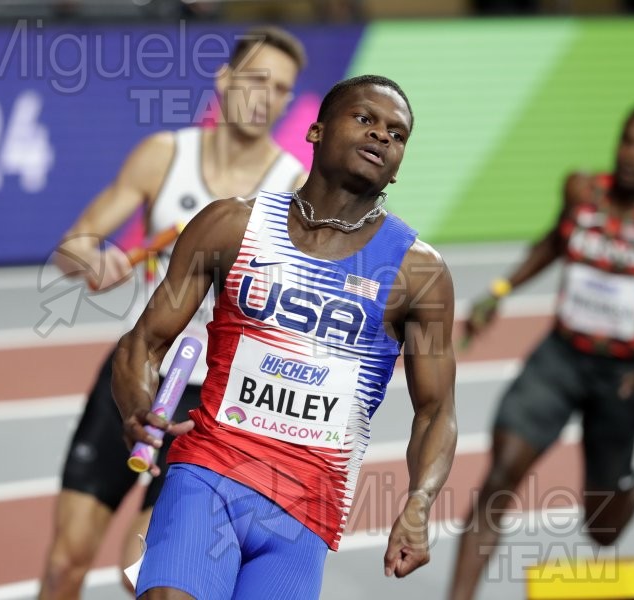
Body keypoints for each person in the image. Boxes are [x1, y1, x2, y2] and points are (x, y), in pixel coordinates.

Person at [113, 74, 458, 599]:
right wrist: (137, 404)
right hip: (208, 472)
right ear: (316, 132)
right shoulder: (231, 225)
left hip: (305, 511)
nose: (383, 136)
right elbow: (145, 343)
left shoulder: (418, 273)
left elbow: (436, 410)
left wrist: (419, 503)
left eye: (398, 133)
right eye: (365, 119)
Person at [38, 27, 309, 600]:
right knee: (66, 561)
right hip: (137, 371)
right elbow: (71, 246)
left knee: (145, 574)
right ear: (225, 79)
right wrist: (94, 258)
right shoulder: (165, 154)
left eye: (282, 88)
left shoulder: (292, 191)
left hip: (214, 403)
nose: (266, 97)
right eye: (256, 79)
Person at [448, 105, 634, 600]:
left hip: (627, 376)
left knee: (602, 530)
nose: (632, 154)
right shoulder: (583, 192)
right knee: (500, 474)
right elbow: (552, 244)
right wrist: (499, 289)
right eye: (628, 140)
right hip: (561, 358)